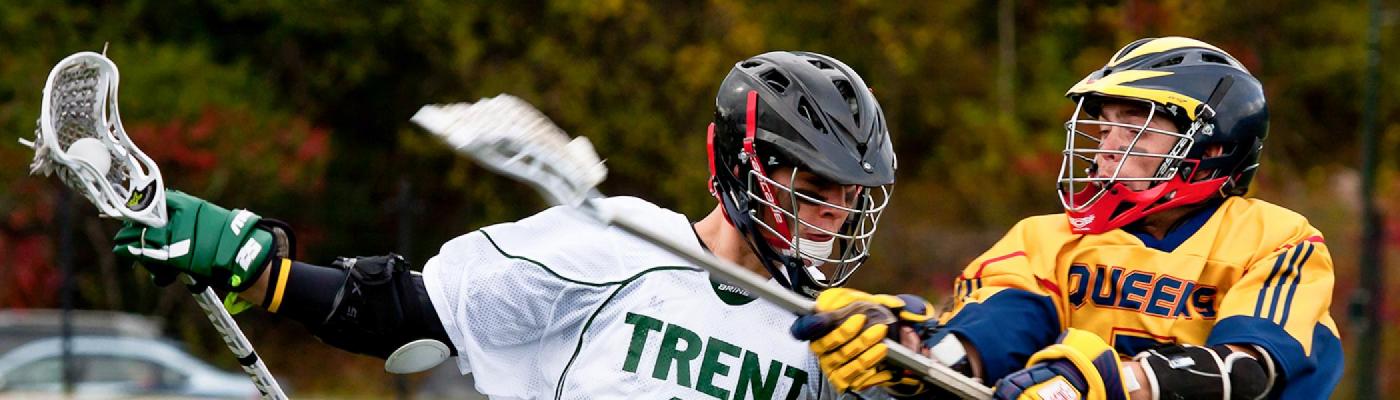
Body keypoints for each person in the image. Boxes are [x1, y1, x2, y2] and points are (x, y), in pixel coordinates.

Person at [112, 51, 898, 399]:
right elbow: (413, 312)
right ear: (741, 162)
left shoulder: (832, 342)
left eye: (847, 197)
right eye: (813, 185)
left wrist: (912, 357)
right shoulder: (620, 243)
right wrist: (259, 270)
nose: (832, 215)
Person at [797, 37, 1342, 400]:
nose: (1107, 147)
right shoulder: (1047, 238)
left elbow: (1251, 370)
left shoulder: (1276, 238)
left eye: (1135, 127)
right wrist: (910, 348)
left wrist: (1112, 381)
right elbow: (992, 335)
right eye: (1104, 127)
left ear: (1211, 144)